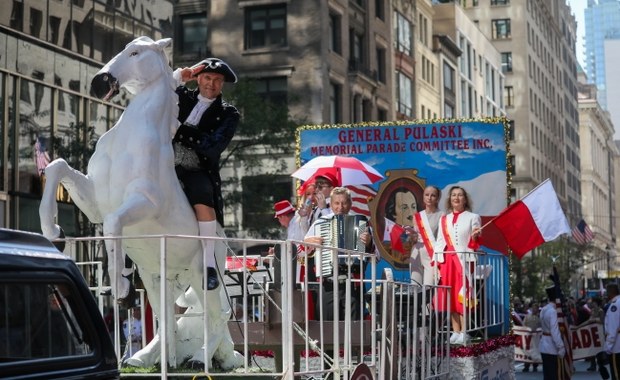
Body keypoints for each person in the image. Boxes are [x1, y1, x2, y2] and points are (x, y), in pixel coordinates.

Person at [172, 57, 239, 290]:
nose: (211, 84)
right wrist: (180, 75)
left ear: (222, 85)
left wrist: (179, 132)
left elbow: (213, 147)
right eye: (207, 78)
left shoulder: (229, 113)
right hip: (164, 161)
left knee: (203, 193)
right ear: (198, 79)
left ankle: (209, 263)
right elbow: (155, 91)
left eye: (217, 80)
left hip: (195, 167)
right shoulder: (180, 95)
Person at [304, 187, 373, 320]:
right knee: (327, 327)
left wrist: (369, 243)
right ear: (331, 203)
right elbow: (300, 251)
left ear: (350, 204)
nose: (340, 207)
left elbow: (376, 255)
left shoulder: (361, 223)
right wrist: (308, 243)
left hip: (353, 283)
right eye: (336, 203)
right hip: (328, 282)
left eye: (344, 203)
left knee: (354, 327)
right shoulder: (320, 223)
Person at [434, 186, 481, 345]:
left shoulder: (473, 217)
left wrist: (475, 236)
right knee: (450, 296)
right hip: (447, 261)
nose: (456, 198)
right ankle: (456, 330)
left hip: (463, 261)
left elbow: (475, 242)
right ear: (450, 199)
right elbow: (440, 241)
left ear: (465, 199)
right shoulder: (443, 219)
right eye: (453, 195)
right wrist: (437, 262)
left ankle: (465, 331)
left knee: (463, 296)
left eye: (460, 195)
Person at [410, 185, 443, 285]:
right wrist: (411, 236)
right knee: (415, 285)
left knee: (430, 286)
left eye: (433, 195)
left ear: (437, 198)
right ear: (423, 197)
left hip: (432, 253)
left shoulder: (442, 215)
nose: (429, 198)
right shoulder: (417, 216)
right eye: (427, 195)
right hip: (416, 251)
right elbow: (414, 238)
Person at [540, 286, 567, 380]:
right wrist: (561, 347)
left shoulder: (544, 309)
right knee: (554, 376)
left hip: (544, 345)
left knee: (547, 375)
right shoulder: (553, 312)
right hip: (552, 347)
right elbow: (555, 332)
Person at [605, 283, 620, 380]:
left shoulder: (614, 306)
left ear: (610, 293)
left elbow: (612, 329)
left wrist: (608, 348)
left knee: (616, 375)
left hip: (617, 347)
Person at [523, 303, 542, 372]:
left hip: (536, 338)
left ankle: (535, 366)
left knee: (535, 351)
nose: (534, 310)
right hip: (528, 337)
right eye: (533, 308)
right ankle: (526, 366)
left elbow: (541, 327)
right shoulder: (527, 317)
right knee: (527, 351)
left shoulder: (539, 318)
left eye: (535, 308)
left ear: (537, 309)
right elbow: (523, 325)